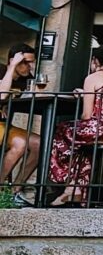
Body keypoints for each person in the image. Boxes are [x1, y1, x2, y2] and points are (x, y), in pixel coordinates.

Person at [48, 45, 103, 206]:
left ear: (95, 61)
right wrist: (86, 94)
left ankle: (69, 184)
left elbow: (87, 115)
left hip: (97, 130)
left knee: (61, 130)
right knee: (82, 149)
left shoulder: (92, 78)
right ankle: (75, 191)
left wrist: (85, 96)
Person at [0, 44, 42, 207]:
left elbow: (30, 102)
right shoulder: (2, 71)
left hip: (4, 126)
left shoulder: (27, 80)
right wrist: (11, 67)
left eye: (31, 63)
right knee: (20, 143)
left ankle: (15, 191)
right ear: (14, 61)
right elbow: (2, 95)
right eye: (24, 62)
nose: (28, 66)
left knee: (39, 144)